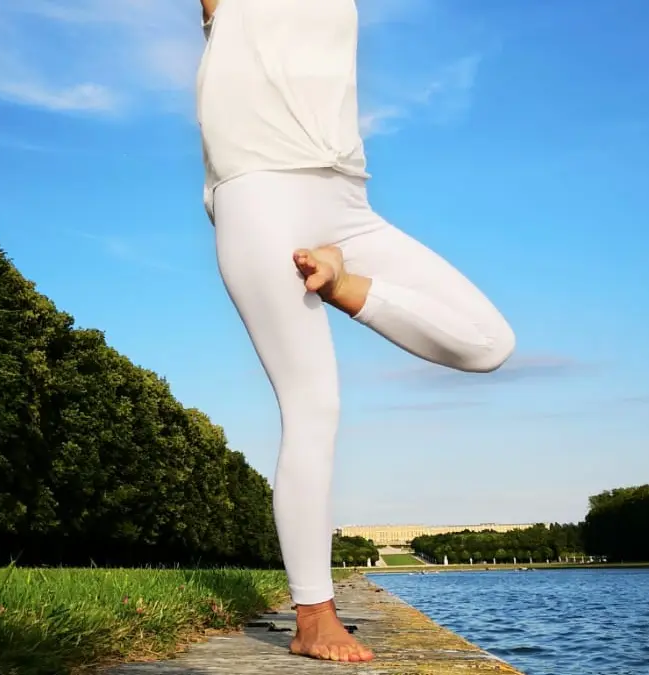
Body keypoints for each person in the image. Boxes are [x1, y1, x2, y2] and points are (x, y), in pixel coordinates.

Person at [196, 0, 515, 662]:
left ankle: (340, 284)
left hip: (349, 204)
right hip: (259, 194)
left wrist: (345, 277)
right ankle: (312, 616)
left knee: (490, 342)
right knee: (314, 406)